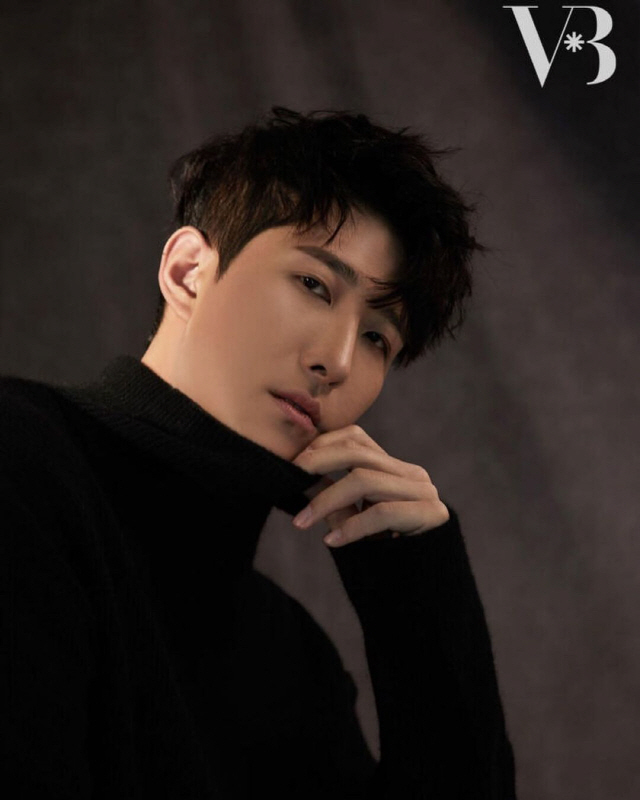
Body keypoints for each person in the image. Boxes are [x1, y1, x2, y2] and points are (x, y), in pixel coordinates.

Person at [1, 106, 517, 798]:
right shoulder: (23, 464)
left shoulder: (293, 658)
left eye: (377, 338)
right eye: (314, 285)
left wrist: (422, 595)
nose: (337, 360)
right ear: (188, 271)